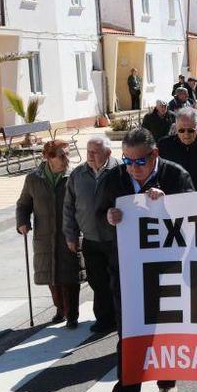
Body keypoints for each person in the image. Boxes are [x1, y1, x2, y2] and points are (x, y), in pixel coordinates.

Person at [96, 128, 193, 392]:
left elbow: (194, 221)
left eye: (140, 161)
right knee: (129, 332)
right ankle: (127, 390)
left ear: (155, 154)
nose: (133, 168)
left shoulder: (176, 176)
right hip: (127, 272)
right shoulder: (113, 178)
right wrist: (109, 217)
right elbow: (97, 214)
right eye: (127, 161)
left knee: (164, 329)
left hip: (167, 271)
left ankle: (167, 384)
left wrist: (167, 207)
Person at [16, 140, 81, 329]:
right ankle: (60, 309)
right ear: (47, 158)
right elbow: (23, 204)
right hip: (44, 236)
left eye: (67, 154)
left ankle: (72, 314)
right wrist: (22, 222)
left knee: (70, 275)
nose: (66, 159)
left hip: (68, 233)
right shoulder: (33, 179)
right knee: (51, 276)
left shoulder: (74, 176)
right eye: (61, 155)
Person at [62, 135, 119, 334]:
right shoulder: (77, 175)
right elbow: (69, 207)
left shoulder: (120, 171)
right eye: (88, 151)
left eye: (95, 152)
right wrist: (70, 235)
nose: (90, 155)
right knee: (97, 281)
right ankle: (104, 319)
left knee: (117, 281)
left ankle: (120, 318)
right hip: (91, 239)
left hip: (116, 239)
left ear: (108, 153)